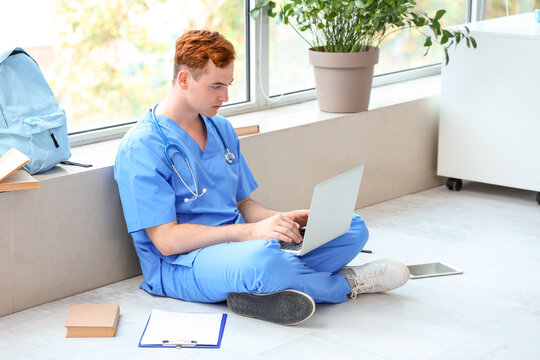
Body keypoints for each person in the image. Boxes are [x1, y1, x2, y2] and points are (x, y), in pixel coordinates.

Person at [114, 30, 410, 326]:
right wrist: (251, 233)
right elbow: (166, 241)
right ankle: (345, 284)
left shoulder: (221, 129)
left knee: (351, 227)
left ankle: (265, 287)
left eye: (229, 85)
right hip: (182, 264)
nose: (225, 96)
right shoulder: (142, 146)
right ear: (184, 80)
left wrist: (279, 220)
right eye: (216, 86)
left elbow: (244, 202)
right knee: (266, 262)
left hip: (240, 247)